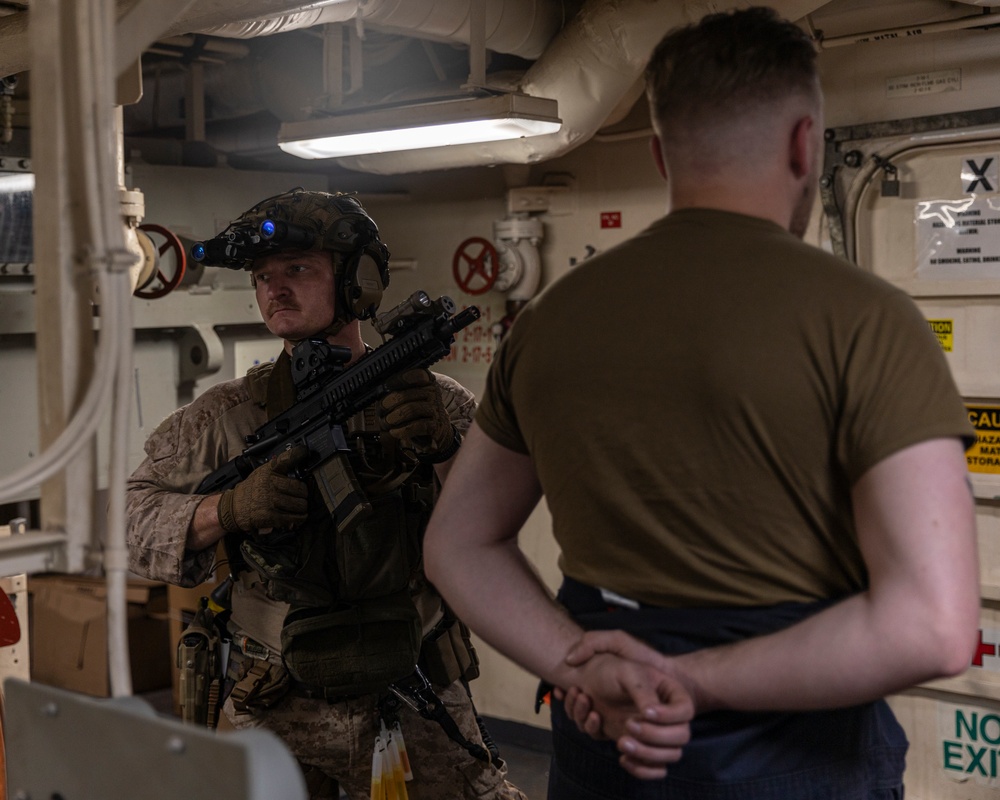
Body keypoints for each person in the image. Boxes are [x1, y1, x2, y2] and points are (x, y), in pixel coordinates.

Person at [423, 7, 980, 799]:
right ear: (804, 144)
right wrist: (693, 683)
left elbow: (457, 546)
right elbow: (933, 625)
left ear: (661, 154)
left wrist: (582, 665)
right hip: (795, 759)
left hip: (605, 739)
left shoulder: (549, 322)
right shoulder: (867, 320)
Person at [126, 188, 527, 800]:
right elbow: (129, 524)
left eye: (297, 269)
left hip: (410, 683)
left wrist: (444, 449)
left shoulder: (438, 401)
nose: (274, 289)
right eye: (262, 276)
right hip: (274, 694)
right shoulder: (227, 417)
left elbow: (496, 526)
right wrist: (227, 509)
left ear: (358, 281)